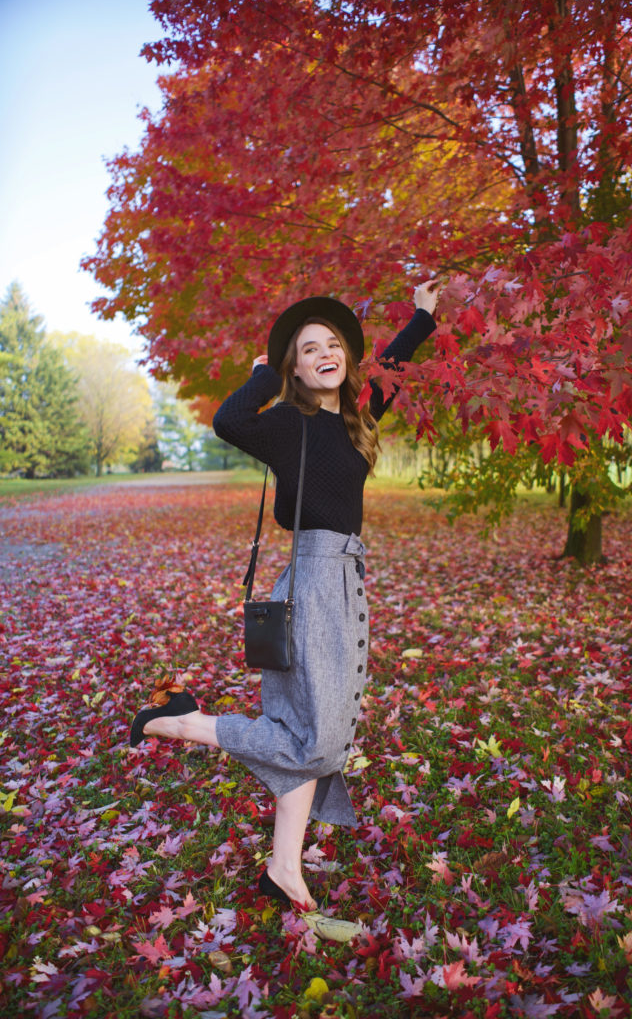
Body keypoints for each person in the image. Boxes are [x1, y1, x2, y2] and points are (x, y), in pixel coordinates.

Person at [130, 279, 440, 911]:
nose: (325, 353)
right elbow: (227, 420)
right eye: (308, 349)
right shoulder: (286, 425)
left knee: (311, 728)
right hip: (312, 580)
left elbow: (396, 368)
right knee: (318, 738)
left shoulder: (357, 417)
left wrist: (424, 314)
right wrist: (264, 374)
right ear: (294, 367)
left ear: (347, 358)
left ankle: (283, 869)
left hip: (346, 581)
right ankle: (182, 722)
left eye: (333, 345)